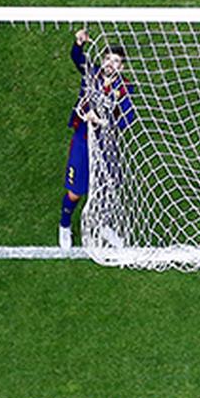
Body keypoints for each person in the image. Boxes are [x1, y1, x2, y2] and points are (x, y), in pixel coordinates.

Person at [59, 28, 136, 249]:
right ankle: (65, 225)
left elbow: (127, 119)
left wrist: (101, 121)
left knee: (106, 189)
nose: (111, 64)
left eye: (116, 61)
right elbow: (76, 57)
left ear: (122, 67)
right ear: (102, 61)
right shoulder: (91, 73)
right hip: (83, 139)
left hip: (105, 143)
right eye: (108, 59)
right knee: (75, 191)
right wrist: (79, 42)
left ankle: (103, 226)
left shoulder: (124, 88)